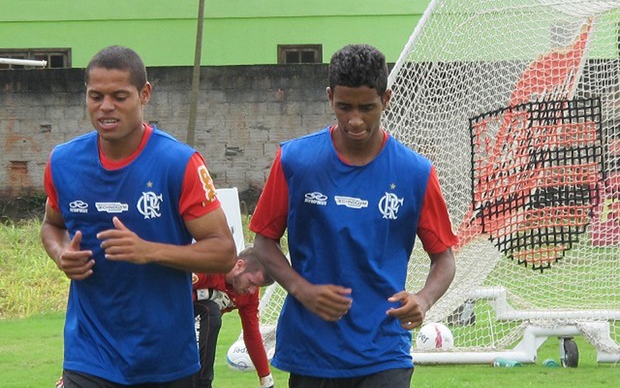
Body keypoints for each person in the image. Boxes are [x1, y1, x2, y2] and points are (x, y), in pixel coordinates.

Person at [249, 44, 458, 388]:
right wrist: (303, 290)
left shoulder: (415, 172)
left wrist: (424, 298)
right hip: (313, 352)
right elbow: (264, 240)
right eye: (344, 107)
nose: (355, 120)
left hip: (383, 349)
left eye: (367, 107)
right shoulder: (295, 161)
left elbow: (444, 259)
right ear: (330, 97)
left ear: (387, 98)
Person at [40, 45, 236, 387]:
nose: (105, 107)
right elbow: (52, 225)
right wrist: (61, 254)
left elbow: (223, 252)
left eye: (119, 96)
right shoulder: (63, 162)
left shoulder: (179, 163)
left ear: (144, 94)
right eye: (95, 96)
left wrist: (150, 251)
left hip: (165, 360)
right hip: (90, 356)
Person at [192, 245, 275, 388]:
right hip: (166, 316)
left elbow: (252, 334)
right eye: (252, 283)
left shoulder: (249, 293)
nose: (251, 291)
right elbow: (169, 293)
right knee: (210, 311)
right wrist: (207, 295)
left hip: (190, 325)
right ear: (239, 265)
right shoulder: (209, 265)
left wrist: (266, 380)